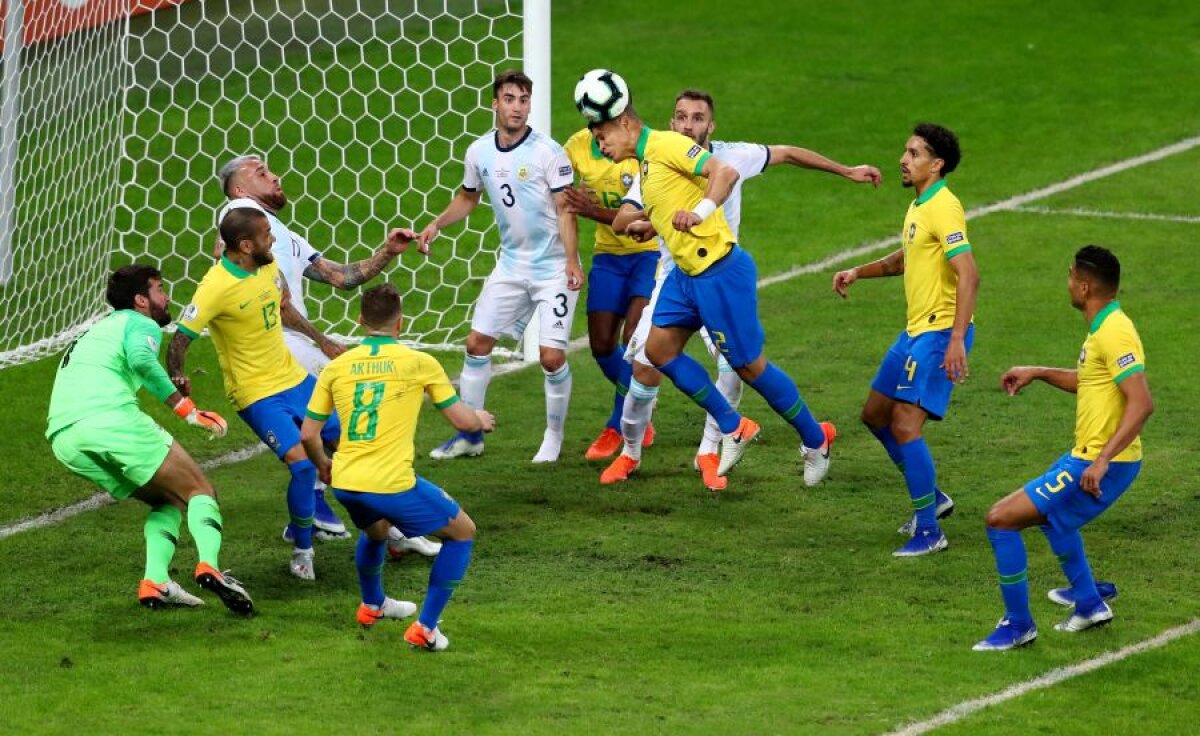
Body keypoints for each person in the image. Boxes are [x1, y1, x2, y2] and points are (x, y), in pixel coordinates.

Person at [603, 88, 881, 491]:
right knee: (655, 354)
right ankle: (716, 432)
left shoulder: (721, 155)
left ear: (710, 126)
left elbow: (764, 160)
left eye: (698, 118)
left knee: (745, 368)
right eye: (682, 116)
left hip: (718, 271)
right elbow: (628, 215)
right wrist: (655, 219)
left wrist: (845, 170)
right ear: (671, 121)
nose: (688, 124)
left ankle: (811, 438)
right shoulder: (654, 159)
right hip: (679, 275)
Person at [215, 155, 440, 557]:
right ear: (239, 189)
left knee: (350, 428)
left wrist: (387, 252)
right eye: (261, 173)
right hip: (275, 347)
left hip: (291, 346)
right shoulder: (238, 218)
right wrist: (323, 341)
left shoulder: (280, 232)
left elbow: (341, 277)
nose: (275, 175)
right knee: (358, 422)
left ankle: (358, 516)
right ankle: (375, 516)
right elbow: (270, 298)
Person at [169, 208, 382, 580]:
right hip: (256, 395)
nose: (273, 240)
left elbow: (283, 309)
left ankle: (388, 529)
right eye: (267, 234)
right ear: (245, 245)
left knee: (353, 445)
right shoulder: (215, 287)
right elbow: (181, 339)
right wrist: (178, 376)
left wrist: (323, 341)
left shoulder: (268, 268)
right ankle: (303, 550)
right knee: (302, 466)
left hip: (295, 380)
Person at [47, 264, 253, 615]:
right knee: (199, 491)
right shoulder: (139, 323)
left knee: (167, 501)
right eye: (160, 289)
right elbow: (142, 359)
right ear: (141, 300)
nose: (167, 296)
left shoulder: (96, 329)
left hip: (64, 437)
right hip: (108, 420)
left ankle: (155, 580)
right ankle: (210, 566)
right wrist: (187, 409)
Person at [974, 246, 1151, 651]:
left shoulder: (1114, 331)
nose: (1067, 282)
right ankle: (1089, 602)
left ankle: (1019, 625)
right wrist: (1037, 371)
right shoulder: (1103, 326)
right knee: (1057, 520)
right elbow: (1090, 380)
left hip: (1102, 459)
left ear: (1085, 286)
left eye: (1071, 275)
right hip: (1093, 455)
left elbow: (1142, 403)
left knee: (1000, 519)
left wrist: (1102, 461)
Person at [301, 283, 494, 651]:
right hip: (391, 482)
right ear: (401, 323)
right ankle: (426, 628)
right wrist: (479, 419)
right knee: (463, 532)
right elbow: (462, 422)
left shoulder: (337, 367)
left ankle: (373, 604)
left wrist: (324, 465)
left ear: (360, 320)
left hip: (346, 481)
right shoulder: (419, 363)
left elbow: (309, 433)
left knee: (376, 529)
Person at [417, 69, 583, 464]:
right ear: (495, 103)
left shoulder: (548, 153)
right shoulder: (479, 152)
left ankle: (553, 437)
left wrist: (573, 261)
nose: (518, 108)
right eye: (510, 99)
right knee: (476, 344)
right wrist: (436, 223)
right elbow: (468, 198)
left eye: (524, 100)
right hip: (511, 265)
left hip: (553, 269)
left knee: (551, 357)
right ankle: (469, 435)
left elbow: (566, 210)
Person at [832, 123, 979, 557]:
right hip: (916, 331)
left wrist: (955, 339)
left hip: (938, 333)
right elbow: (906, 259)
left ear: (937, 165)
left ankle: (931, 530)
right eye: (905, 150)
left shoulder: (943, 207)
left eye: (914, 153)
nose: (904, 158)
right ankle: (932, 497)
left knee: (904, 424)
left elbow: (969, 273)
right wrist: (859, 271)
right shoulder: (920, 205)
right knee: (875, 414)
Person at [562, 126, 659, 460]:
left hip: (648, 253)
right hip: (607, 257)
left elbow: (638, 216)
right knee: (602, 346)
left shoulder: (642, 148)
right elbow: (560, 193)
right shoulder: (576, 146)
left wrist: (589, 210)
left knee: (633, 340)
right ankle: (643, 398)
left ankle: (617, 425)